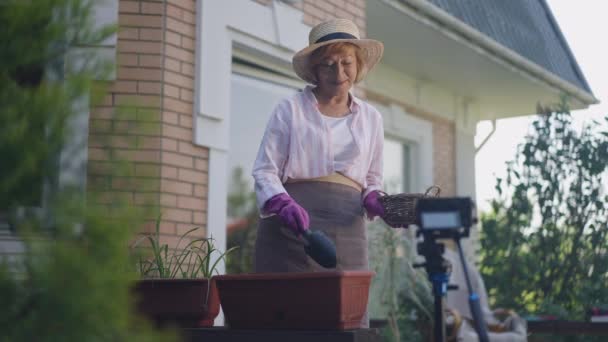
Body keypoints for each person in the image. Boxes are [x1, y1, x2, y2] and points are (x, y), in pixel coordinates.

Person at [252, 18, 396, 277]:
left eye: (346, 63)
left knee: (346, 310)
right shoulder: (291, 109)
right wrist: (281, 202)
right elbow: (264, 170)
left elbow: (373, 178)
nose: (339, 74)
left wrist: (374, 197)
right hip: (295, 228)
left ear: (358, 64)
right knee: (290, 308)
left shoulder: (372, 118)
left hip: (349, 227)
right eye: (329, 65)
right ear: (315, 70)